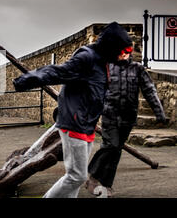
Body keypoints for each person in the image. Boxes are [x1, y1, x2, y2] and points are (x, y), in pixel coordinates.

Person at [13, 22, 133, 198]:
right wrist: (25, 80)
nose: (126, 57)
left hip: (88, 124)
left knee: (76, 176)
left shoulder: (105, 63)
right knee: (77, 176)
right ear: (111, 47)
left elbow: (99, 91)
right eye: (124, 52)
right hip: (74, 123)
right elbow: (56, 72)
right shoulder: (87, 58)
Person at [86, 45, 166, 197]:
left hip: (128, 117)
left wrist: (159, 112)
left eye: (126, 52)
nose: (123, 55)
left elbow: (149, 90)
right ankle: (93, 176)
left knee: (116, 151)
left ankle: (107, 185)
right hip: (110, 115)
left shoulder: (138, 69)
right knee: (110, 145)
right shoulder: (107, 67)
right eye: (120, 52)